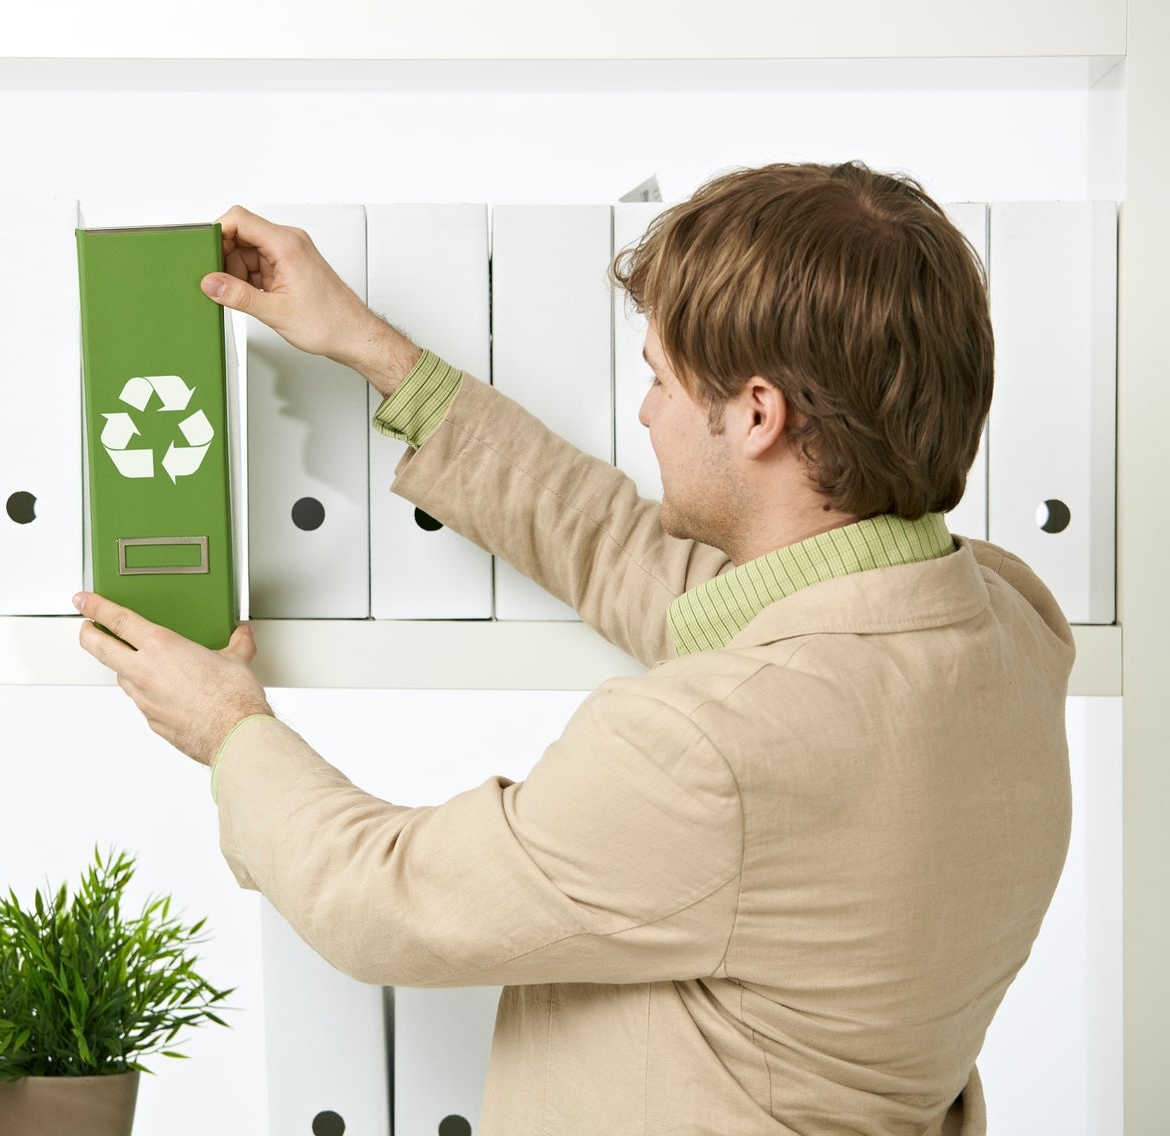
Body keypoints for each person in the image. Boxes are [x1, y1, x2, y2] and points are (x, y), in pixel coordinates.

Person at [71, 162, 1073, 1135]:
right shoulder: (999, 625)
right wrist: (377, 355)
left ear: (758, 414)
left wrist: (227, 727)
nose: (645, 411)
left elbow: (389, 898)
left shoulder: (719, 744)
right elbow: (626, 557)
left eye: (660, 380)